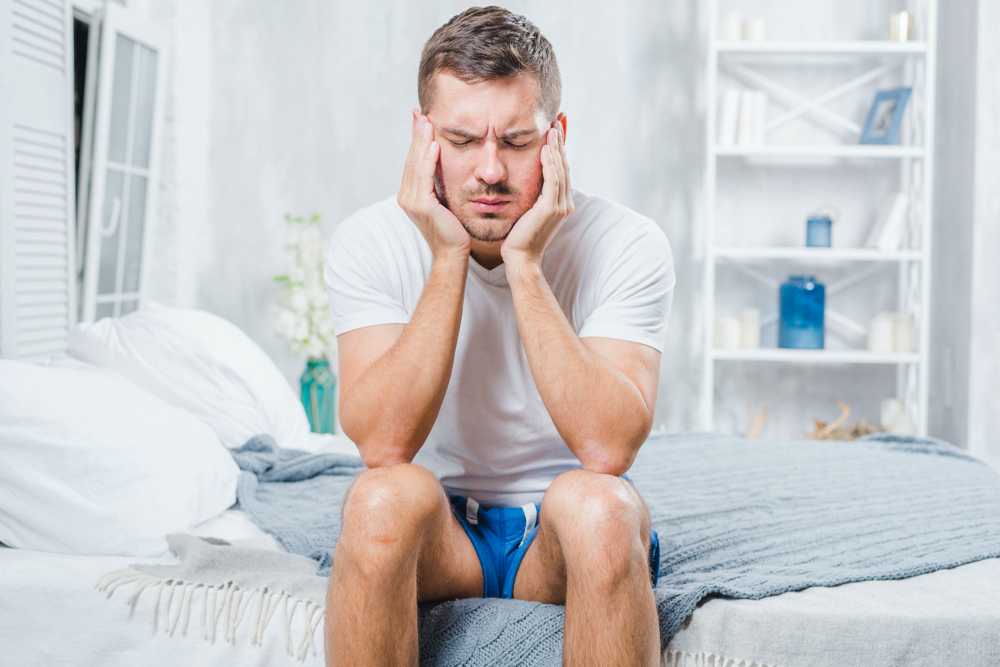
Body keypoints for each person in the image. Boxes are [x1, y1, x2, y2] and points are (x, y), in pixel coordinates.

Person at [323, 6, 675, 666]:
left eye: (516, 141)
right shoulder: (368, 240)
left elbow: (609, 445)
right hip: (442, 534)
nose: (489, 170)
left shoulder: (628, 242)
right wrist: (447, 257)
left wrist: (525, 263)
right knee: (376, 501)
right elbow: (382, 441)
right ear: (422, 136)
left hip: (559, 536)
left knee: (600, 507)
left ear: (556, 137)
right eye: (461, 140)